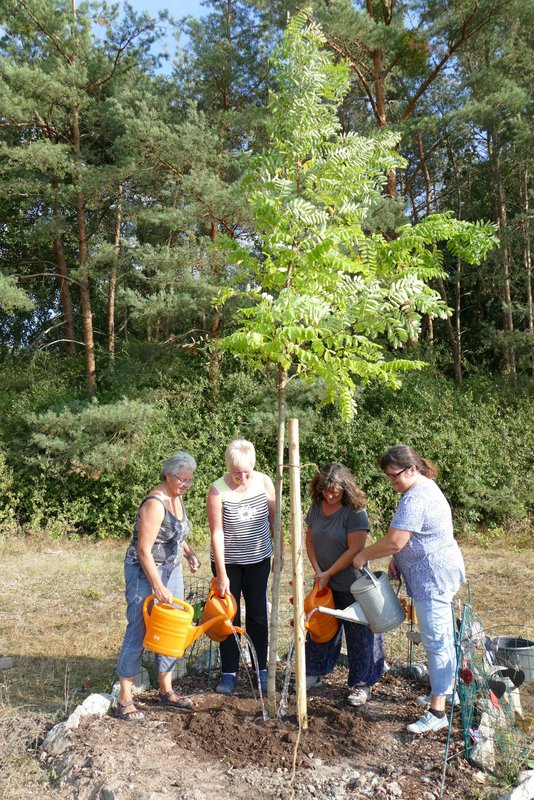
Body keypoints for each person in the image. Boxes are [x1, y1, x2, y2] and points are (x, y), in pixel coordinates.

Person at [353, 444, 465, 734]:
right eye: (388, 477)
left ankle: (438, 711)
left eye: (394, 476)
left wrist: (364, 554)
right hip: (430, 572)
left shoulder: (417, 497)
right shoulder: (420, 489)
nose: (391, 482)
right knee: (441, 636)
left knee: (437, 639)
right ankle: (446, 688)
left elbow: (395, 540)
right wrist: (397, 559)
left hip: (433, 577)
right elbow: (406, 539)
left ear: (412, 469)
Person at [115, 451, 201, 721]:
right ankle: (124, 699)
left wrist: (189, 554)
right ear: (167, 475)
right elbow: (143, 550)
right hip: (145, 572)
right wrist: (157, 586)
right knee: (139, 629)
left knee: (171, 629)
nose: (186, 485)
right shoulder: (155, 503)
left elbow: (176, 533)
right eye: (182, 479)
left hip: (171, 569)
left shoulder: (177, 499)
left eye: (190, 480)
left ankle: (166, 690)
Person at [304, 463, 384, 705]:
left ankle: (362, 684)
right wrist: (319, 572)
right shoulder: (317, 508)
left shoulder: (355, 511)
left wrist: (329, 572)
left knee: (360, 635)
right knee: (321, 629)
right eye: (325, 490)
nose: (329, 495)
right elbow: (309, 541)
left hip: (353, 584)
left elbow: (355, 549)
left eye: (334, 491)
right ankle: (315, 672)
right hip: (325, 581)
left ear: (345, 488)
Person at [206, 438, 279, 695]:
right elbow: (217, 533)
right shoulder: (217, 490)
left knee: (258, 613)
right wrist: (222, 574)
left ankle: (261, 668)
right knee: (228, 616)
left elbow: (274, 519)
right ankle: (229, 672)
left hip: (259, 559)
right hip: (229, 563)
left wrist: (279, 554)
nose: (242, 477)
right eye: (237, 472)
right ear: (229, 467)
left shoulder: (264, 482)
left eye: (247, 471)